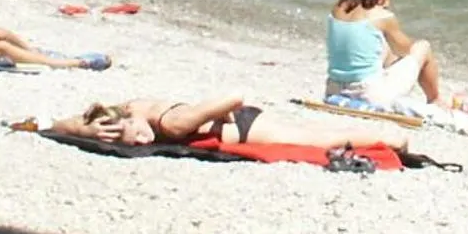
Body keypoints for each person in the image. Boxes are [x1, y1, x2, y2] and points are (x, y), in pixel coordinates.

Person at [51, 96, 408, 152]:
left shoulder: (172, 124)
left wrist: (214, 115)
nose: (143, 143)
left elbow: (235, 97)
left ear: (129, 120)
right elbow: (57, 124)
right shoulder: (125, 108)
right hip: (241, 121)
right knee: (322, 136)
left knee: (325, 140)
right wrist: (85, 130)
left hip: (249, 125)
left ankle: (396, 140)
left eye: (138, 136)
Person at [326, 0, 441, 105]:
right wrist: (385, 9)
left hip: (334, 89)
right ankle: (435, 100)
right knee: (423, 47)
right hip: (368, 94)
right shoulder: (382, 17)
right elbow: (405, 50)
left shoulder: (337, 8)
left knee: (382, 46)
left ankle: (385, 78)